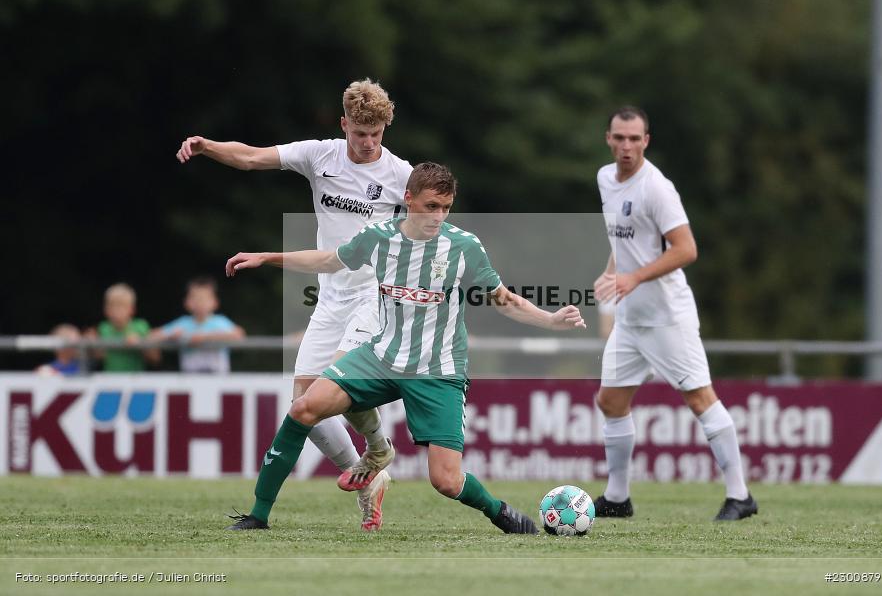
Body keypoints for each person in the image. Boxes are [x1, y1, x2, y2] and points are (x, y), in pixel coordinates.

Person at [224, 162, 586, 533]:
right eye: (431, 206)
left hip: (438, 370)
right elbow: (330, 260)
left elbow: (503, 299)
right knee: (304, 407)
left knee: (445, 480)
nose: (438, 216)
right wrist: (269, 257)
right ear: (408, 199)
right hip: (381, 356)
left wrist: (551, 319)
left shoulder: (463, 247)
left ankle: (499, 511)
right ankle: (258, 515)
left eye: (446, 207)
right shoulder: (378, 237)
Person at [176, 79, 409, 530]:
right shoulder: (320, 154)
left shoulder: (400, 174)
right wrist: (207, 147)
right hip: (330, 296)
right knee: (306, 407)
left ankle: (378, 449)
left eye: (376, 134)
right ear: (344, 125)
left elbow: (435, 218)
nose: (367, 144)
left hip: (373, 296)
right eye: (359, 133)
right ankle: (371, 480)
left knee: (335, 386)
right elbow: (250, 157)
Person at [593, 106, 757, 521]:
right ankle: (617, 497)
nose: (626, 146)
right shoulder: (605, 179)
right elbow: (624, 240)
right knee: (610, 401)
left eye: (635, 138)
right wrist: (611, 274)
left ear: (646, 140)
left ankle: (740, 495)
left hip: (668, 316)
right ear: (608, 139)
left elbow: (686, 249)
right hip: (631, 318)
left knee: (700, 399)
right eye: (619, 137)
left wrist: (634, 279)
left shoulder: (657, 189)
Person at [152, 277, 245, 373]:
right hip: (191, 383)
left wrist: (204, 338)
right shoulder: (182, 323)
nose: (200, 302)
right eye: (195, 298)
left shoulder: (220, 322)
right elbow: (153, 335)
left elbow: (239, 335)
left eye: (204, 298)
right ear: (187, 302)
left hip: (218, 383)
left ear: (215, 302)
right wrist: (170, 336)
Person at [88, 283, 158, 372]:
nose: (116, 311)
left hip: (136, 382)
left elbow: (155, 359)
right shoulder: (103, 328)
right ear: (106, 309)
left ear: (132, 309)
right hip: (110, 382)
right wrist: (93, 343)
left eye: (121, 306)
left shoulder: (141, 326)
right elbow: (99, 357)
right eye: (112, 306)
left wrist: (140, 344)